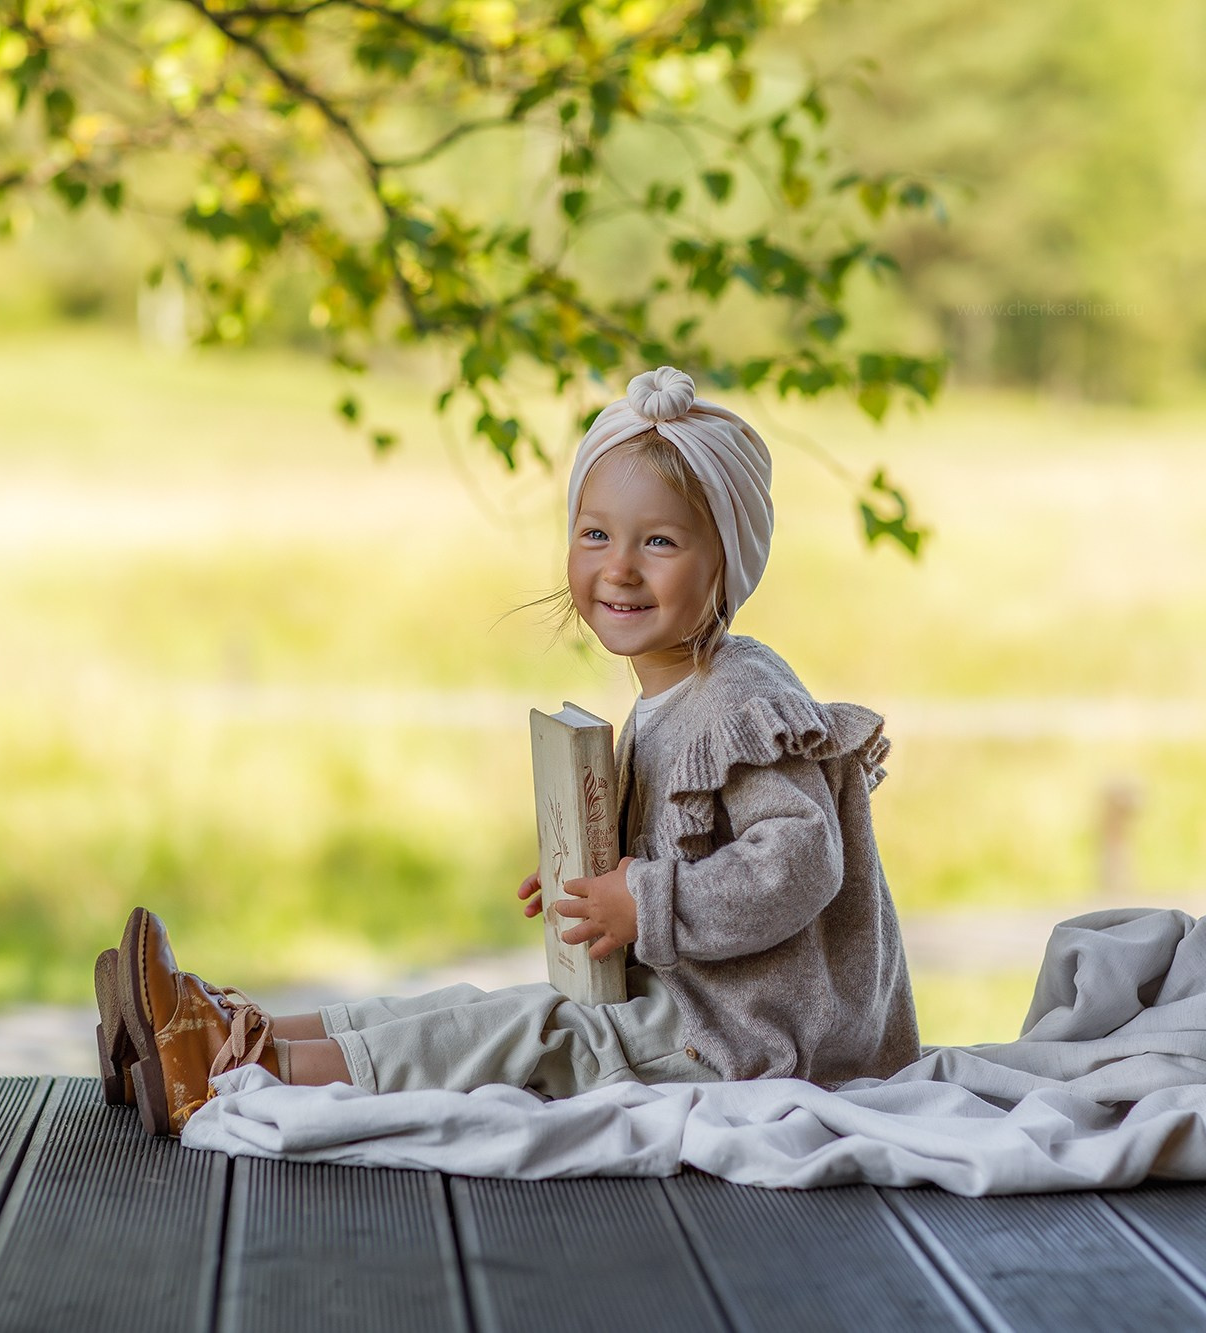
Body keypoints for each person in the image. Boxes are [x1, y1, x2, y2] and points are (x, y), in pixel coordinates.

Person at [96, 365, 921, 1137]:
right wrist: (598, 874)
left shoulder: (744, 697)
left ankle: (231, 1069)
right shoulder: (668, 698)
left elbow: (803, 859)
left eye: (660, 543)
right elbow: (697, 847)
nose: (620, 569)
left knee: (525, 1030)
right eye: (595, 534)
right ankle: (238, 1029)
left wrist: (649, 901)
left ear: (727, 563)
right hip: (700, 1009)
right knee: (469, 1004)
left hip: (759, 1041)